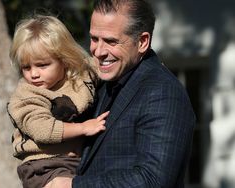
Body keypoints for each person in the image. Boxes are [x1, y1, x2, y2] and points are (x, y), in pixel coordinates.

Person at [48, 0, 196, 187]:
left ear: (142, 42)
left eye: (111, 41)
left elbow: (153, 180)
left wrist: (74, 185)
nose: (98, 51)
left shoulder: (163, 92)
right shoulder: (102, 82)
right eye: (94, 39)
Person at [6, 15, 109, 188]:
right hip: (43, 165)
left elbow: (106, 68)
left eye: (42, 65)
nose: (34, 74)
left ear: (64, 59)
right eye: (26, 67)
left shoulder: (82, 74)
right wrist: (84, 128)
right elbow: (43, 129)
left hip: (79, 160)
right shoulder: (26, 95)